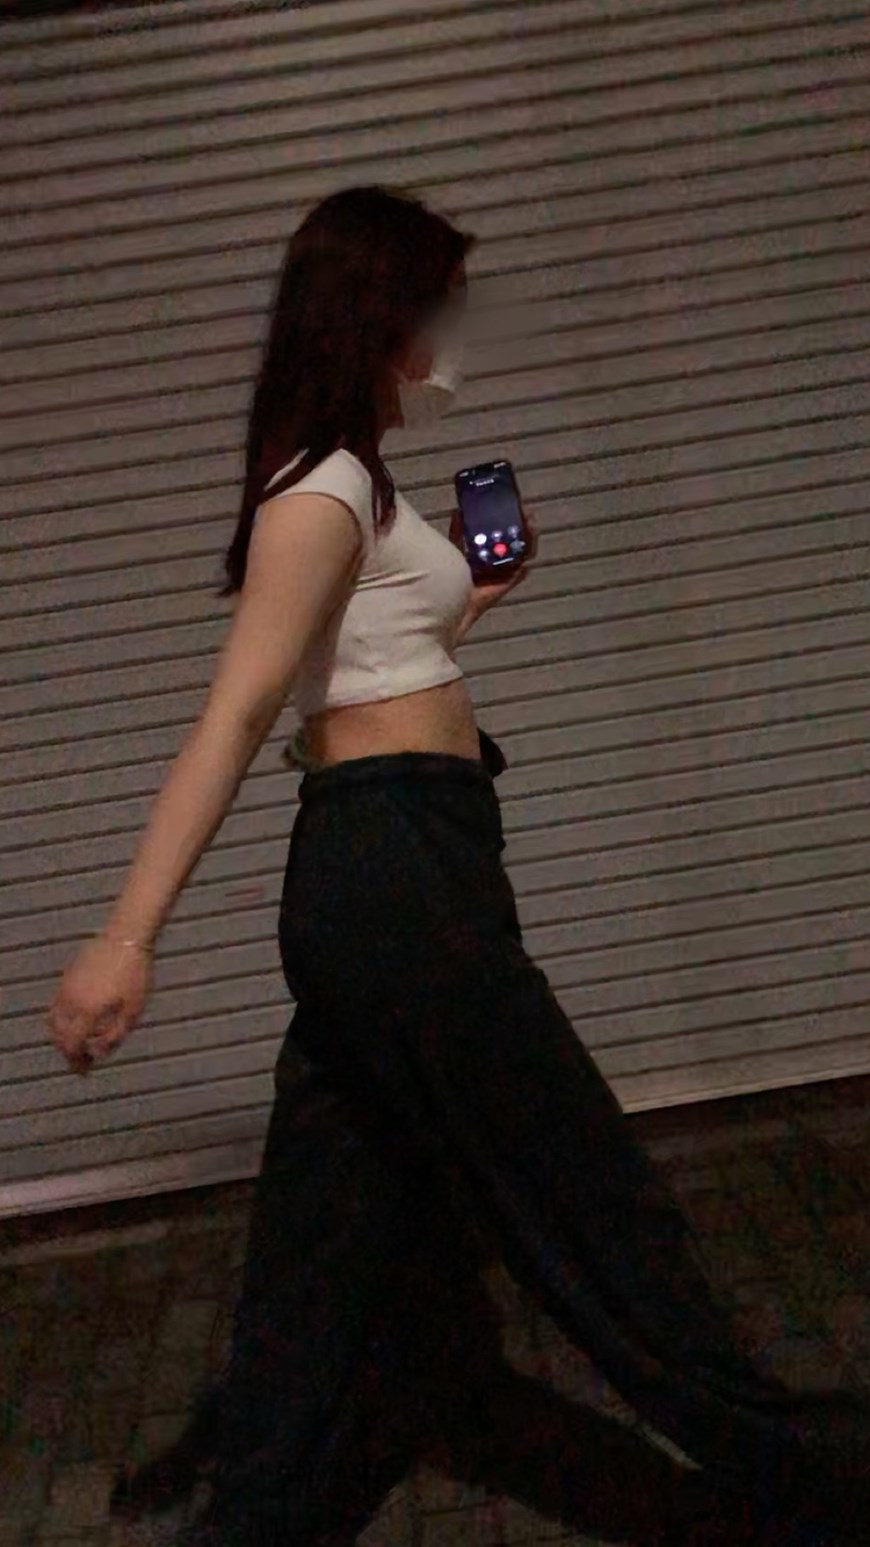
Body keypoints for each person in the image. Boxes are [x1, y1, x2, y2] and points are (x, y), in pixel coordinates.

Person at [46, 186, 869, 1547]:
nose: (455, 328)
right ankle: (797, 1470)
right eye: (441, 299)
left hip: (410, 858)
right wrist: (125, 937)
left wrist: (472, 597)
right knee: (584, 1190)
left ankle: (259, 1505)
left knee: (323, 1240)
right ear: (381, 310)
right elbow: (237, 715)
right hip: (394, 876)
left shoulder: (358, 481)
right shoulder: (321, 492)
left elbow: (379, 670)